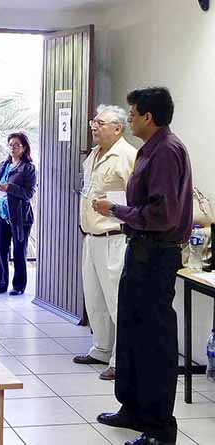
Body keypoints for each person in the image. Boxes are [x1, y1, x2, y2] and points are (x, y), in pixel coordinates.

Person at [94, 87, 192, 445]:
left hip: (156, 255)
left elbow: (162, 214)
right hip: (140, 250)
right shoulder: (151, 149)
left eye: (133, 114)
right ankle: (133, 408)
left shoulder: (166, 151)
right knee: (132, 334)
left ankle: (159, 426)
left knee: (153, 342)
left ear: (149, 117)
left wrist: (116, 210)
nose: (130, 120)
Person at [73, 105, 137, 381]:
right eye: (94, 122)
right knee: (94, 297)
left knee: (117, 302)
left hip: (115, 237)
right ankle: (101, 348)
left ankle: (121, 360)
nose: (94, 126)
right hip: (92, 236)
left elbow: (136, 199)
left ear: (117, 128)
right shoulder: (94, 154)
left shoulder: (128, 156)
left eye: (100, 123)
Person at [0, 132, 37, 296]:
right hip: (1, 213)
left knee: (19, 251)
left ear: (24, 148)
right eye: (11, 145)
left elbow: (29, 193)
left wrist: (9, 188)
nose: (13, 148)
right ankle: (1, 283)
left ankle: (18, 286)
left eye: (17, 145)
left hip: (20, 217)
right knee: (1, 250)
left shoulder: (28, 168)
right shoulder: (4, 165)